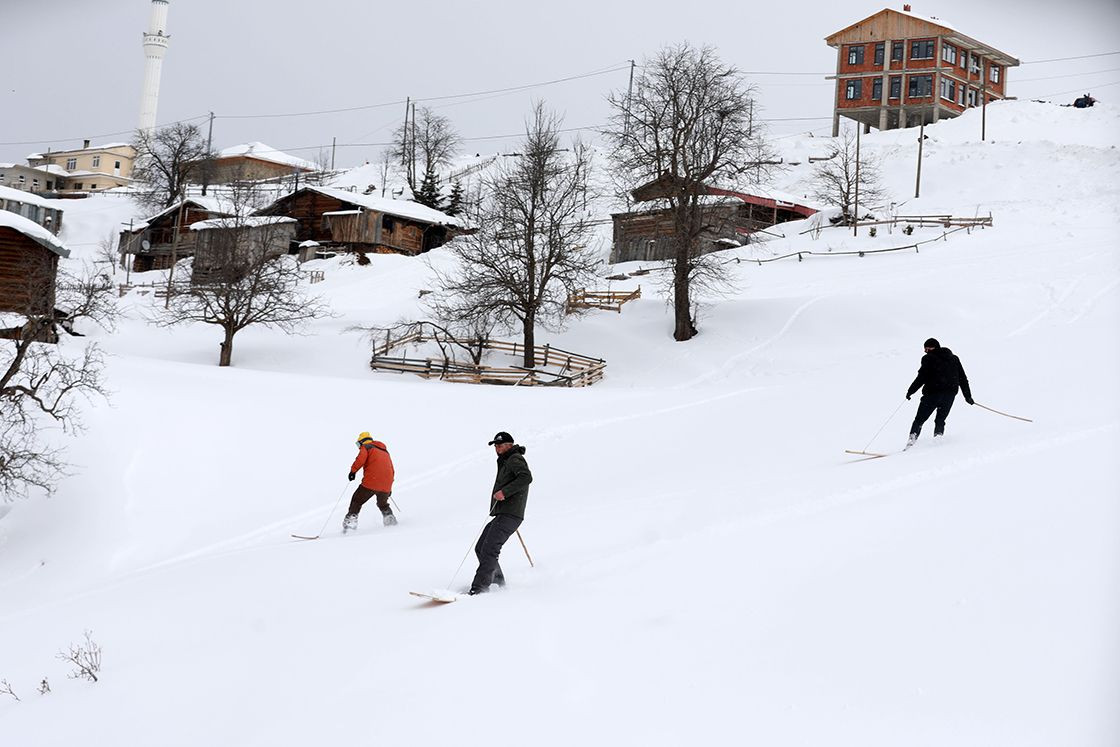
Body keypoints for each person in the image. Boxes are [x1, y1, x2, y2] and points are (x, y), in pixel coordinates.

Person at [469, 431, 532, 595]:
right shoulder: (506, 461)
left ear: (509, 445)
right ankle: (497, 582)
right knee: (481, 547)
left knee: (489, 548)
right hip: (503, 513)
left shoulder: (515, 459)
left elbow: (526, 477)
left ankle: (479, 588)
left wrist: (504, 492)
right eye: (495, 446)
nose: (497, 448)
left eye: (500, 445)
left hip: (511, 514)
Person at [906, 338, 973, 446]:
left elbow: (921, 377)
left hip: (932, 394)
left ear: (932, 348)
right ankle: (937, 441)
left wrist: (910, 391)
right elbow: (962, 379)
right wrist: (967, 396)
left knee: (919, 420)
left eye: (926, 349)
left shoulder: (928, 359)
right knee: (940, 420)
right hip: (949, 395)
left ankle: (911, 442)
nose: (925, 352)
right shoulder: (954, 359)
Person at [344, 432, 396, 533]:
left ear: (362, 441)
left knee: (356, 500)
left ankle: (351, 522)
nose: (359, 447)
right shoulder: (385, 451)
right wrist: (389, 488)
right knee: (383, 504)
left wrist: (353, 471)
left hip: (372, 481)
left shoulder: (366, 447)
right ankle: (389, 518)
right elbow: (392, 469)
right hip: (387, 484)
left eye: (358, 444)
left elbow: (360, 459)